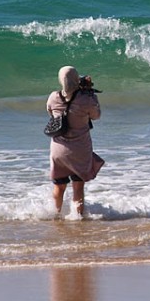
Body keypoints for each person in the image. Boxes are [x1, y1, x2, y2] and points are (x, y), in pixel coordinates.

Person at [46, 66, 104, 216]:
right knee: (78, 186)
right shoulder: (85, 99)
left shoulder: (53, 97)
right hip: (79, 149)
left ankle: (55, 215)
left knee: (59, 187)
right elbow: (96, 115)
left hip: (58, 149)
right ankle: (77, 219)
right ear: (76, 79)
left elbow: (51, 113)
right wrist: (90, 94)